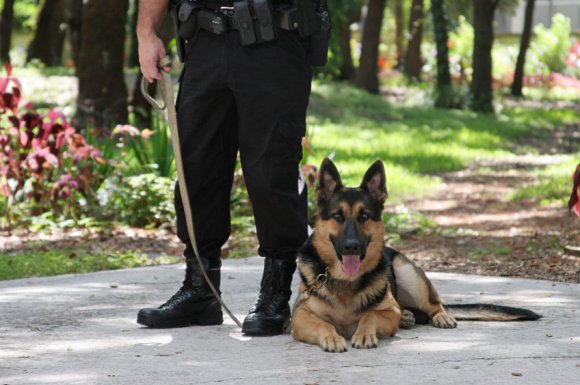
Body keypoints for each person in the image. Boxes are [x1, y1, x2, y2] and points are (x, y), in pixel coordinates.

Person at [136, 0, 320, 335]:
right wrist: (146, 33)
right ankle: (200, 290)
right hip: (206, 40)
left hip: (274, 40)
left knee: (271, 169)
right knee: (196, 166)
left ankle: (275, 294)